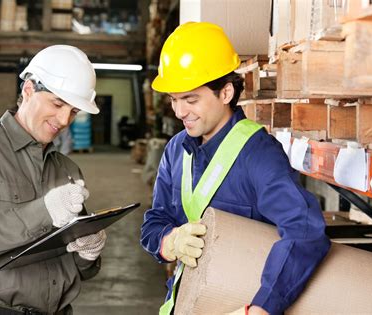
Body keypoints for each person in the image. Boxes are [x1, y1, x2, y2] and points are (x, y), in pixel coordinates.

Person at [140, 22, 331, 315]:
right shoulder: (176, 150)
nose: (179, 112)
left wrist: (263, 307)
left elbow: (304, 230)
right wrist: (170, 241)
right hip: (187, 303)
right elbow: (154, 223)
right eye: (174, 100)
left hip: (239, 305)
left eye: (190, 99)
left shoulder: (258, 154)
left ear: (226, 92)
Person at [0, 45, 107, 315]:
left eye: (74, 111)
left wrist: (88, 254)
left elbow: (74, 268)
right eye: (57, 103)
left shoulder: (67, 169)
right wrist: (45, 210)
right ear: (28, 90)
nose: (64, 120)